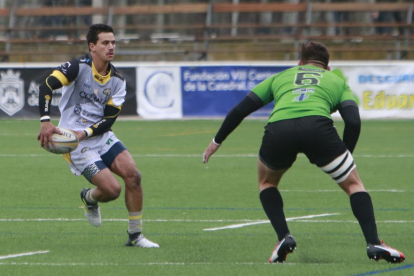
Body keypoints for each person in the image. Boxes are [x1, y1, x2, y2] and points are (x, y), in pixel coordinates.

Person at [202, 41, 405, 263]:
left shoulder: (281, 77)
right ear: (327, 67)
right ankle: (373, 242)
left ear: (300, 63)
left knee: (267, 183)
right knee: (354, 184)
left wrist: (216, 141)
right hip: (318, 129)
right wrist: (345, 153)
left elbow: (240, 110)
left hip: (279, 129)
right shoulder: (336, 80)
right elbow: (353, 122)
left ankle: (283, 238)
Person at [37, 23, 159, 248]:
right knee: (112, 190)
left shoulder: (118, 81)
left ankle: (136, 236)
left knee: (134, 176)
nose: (111, 47)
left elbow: (109, 120)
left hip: (98, 135)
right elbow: (46, 86)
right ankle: (89, 198)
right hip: (74, 144)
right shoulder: (77, 67)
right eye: (105, 43)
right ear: (92, 46)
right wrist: (45, 122)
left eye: (113, 42)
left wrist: (85, 132)